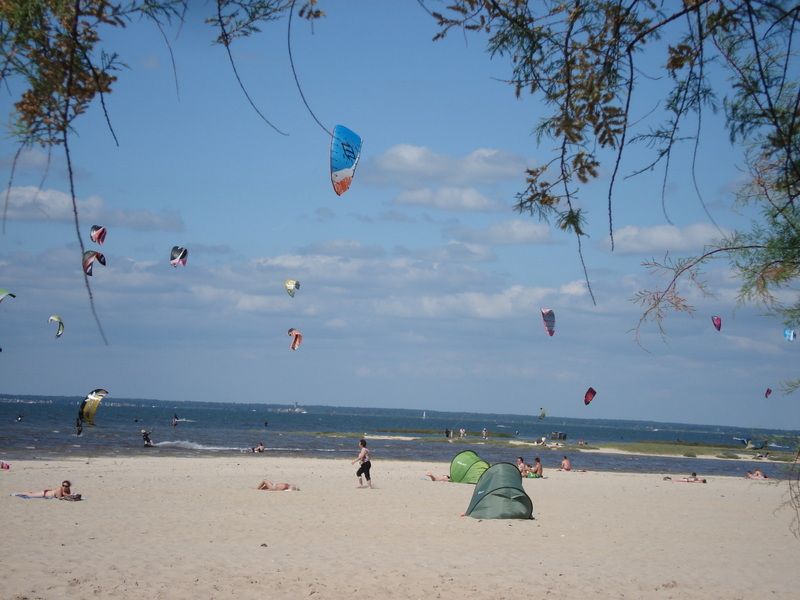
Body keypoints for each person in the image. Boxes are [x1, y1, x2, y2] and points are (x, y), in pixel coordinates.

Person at [14, 480, 81, 500]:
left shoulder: (68, 489)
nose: (64, 486)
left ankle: (18, 494)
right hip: (45, 494)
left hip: (47, 494)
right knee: (30, 494)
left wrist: (72, 495)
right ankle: (16, 493)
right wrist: (70, 496)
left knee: (31, 494)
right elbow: (59, 497)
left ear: (68, 486)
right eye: (63, 485)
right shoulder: (59, 489)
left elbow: (66, 494)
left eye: (66, 486)